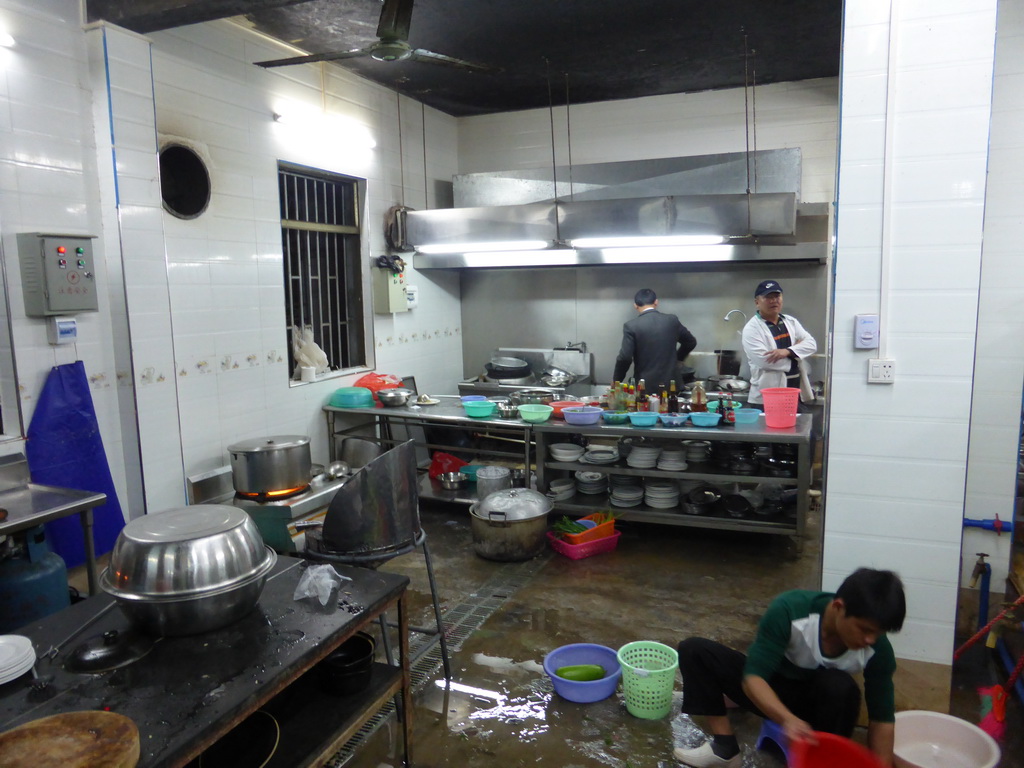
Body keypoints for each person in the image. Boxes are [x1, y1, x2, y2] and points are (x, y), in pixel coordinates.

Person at [673, 568, 907, 768]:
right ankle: (725, 748)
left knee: (840, 686)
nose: (870, 640)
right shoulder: (790, 610)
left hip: (820, 708)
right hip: (772, 692)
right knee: (694, 650)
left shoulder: (877, 650)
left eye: (878, 633)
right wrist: (786, 720)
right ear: (838, 607)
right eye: (864, 629)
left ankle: (822, 759)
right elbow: (754, 677)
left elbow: (882, 718)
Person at [740, 280, 816, 407]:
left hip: (794, 393)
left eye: (777, 296)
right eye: (768, 297)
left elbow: (811, 344)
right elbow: (765, 360)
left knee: (798, 425)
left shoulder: (790, 321)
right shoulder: (752, 329)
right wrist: (797, 354)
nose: (774, 300)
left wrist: (787, 351)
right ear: (757, 302)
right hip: (766, 396)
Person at [612, 288, 697, 391]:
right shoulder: (671, 320)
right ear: (656, 302)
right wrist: (678, 359)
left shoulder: (631, 326)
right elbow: (690, 342)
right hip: (672, 387)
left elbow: (625, 358)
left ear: (635, 305)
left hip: (645, 388)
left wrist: (617, 381)